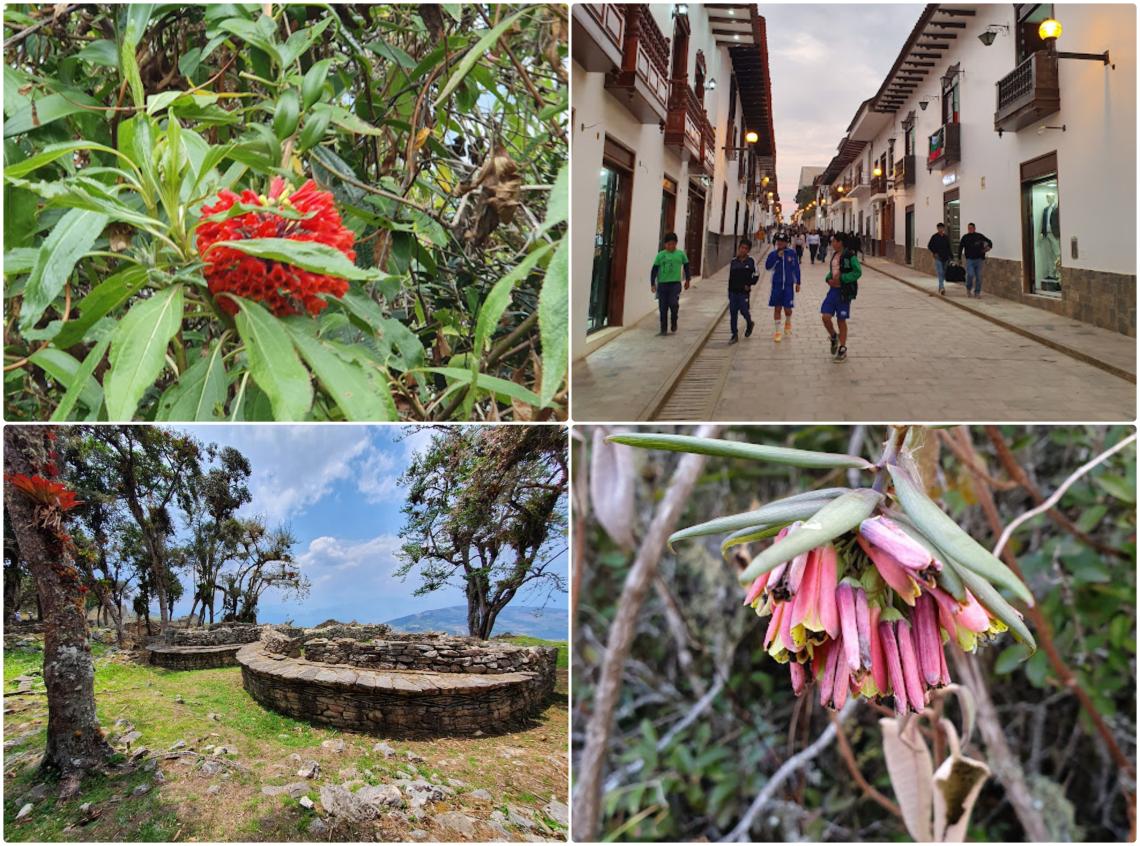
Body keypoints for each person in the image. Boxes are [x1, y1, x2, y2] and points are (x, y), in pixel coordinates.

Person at [822, 232, 860, 362]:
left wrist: (843, 279)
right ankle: (833, 336)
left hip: (844, 293)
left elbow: (857, 272)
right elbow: (833, 271)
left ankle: (842, 348)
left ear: (840, 242)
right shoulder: (834, 255)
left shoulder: (850, 256)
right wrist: (828, 278)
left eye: (834, 241)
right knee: (825, 317)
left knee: (841, 320)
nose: (832, 243)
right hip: (833, 291)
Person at [651, 232, 690, 334]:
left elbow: (686, 267)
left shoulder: (681, 254)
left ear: (676, 244)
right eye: (668, 244)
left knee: (673, 304)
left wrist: (687, 280)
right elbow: (654, 270)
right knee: (663, 308)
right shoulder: (660, 255)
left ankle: (674, 321)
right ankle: (663, 329)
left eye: (672, 244)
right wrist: (652, 283)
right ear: (665, 244)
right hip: (662, 284)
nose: (670, 246)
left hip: (675, 284)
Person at [765, 232, 801, 342]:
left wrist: (798, 282)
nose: (780, 243)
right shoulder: (772, 254)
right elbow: (768, 267)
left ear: (786, 242)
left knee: (788, 309)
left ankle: (788, 322)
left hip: (788, 286)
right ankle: (777, 331)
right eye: (778, 241)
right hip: (777, 285)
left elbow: (796, 268)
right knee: (777, 308)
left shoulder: (792, 253)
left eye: (782, 241)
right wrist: (777, 257)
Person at [727, 238, 758, 343]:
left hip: (744, 292)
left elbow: (756, 275)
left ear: (748, 250)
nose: (743, 250)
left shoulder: (751, 261)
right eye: (741, 248)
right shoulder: (733, 261)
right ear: (739, 248)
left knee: (744, 310)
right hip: (733, 292)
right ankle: (734, 334)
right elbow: (730, 278)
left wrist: (749, 284)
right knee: (733, 312)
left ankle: (749, 323)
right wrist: (729, 291)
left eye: (745, 248)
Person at [958, 222, 993, 298]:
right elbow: (960, 247)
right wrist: (959, 258)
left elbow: (989, 242)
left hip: (979, 260)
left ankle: (977, 292)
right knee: (970, 274)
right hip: (970, 260)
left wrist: (987, 249)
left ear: (974, 228)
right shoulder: (965, 237)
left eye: (971, 228)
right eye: (968, 228)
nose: (970, 229)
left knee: (979, 277)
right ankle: (968, 288)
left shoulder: (979, 236)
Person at [927, 222, 952, 295]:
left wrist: (951, 257)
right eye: (939, 228)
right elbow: (929, 246)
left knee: (943, 273)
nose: (940, 229)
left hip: (946, 257)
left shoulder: (946, 237)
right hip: (938, 257)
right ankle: (942, 288)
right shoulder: (934, 237)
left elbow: (949, 247)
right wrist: (934, 253)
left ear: (943, 228)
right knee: (940, 272)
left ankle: (940, 286)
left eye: (942, 228)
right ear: (937, 229)